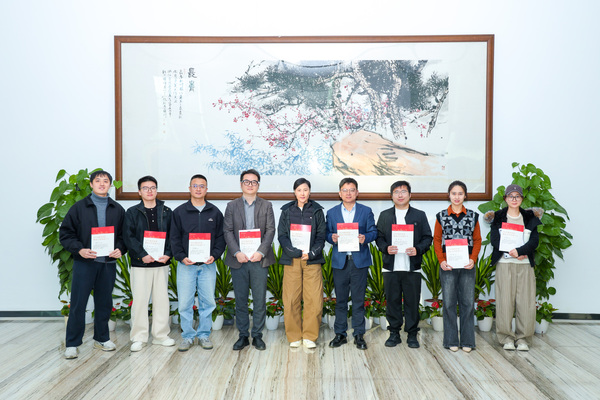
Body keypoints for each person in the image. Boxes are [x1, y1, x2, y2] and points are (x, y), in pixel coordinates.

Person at [59, 170, 126, 359]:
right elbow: (65, 234)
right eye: (98, 181)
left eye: (105, 181)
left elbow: (124, 236)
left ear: (110, 185)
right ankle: (72, 343)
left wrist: (120, 249)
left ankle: (102, 338)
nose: (102, 184)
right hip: (85, 263)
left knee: (104, 303)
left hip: (107, 263)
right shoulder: (79, 208)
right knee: (78, 304)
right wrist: (79, 249)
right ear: (91, 184)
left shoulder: (117, 209)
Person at [170, 174, 225, 351]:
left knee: (208, 302)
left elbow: (221, 237)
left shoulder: (215, 212)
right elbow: (174, 238)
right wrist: (181, 256)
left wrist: (215, 255)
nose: (198, 189)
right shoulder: (179, 212)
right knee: (185, 303)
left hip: (208, 265)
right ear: (189, 188)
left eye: (202, 186)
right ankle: (187, 336)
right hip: (186, 266)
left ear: (206, 189)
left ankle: (203, 335)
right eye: (195, 185)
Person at [376, 180, 432, 348]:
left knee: (412, 302)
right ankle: (394, 333)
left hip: (412, 267)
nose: (400, 195)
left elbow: (427, 238)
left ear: (410, 194)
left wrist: (418, 249)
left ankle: (412, 334)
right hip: (390, 267)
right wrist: (386, 248)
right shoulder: (385, 215)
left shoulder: (419, 215)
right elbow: (378, 237)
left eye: (403, 191)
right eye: (396, 192)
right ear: (391, 196)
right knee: (392, 301)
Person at [224, 169, 276, 351]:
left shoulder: (266, 205)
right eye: (247, 181)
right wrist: (236, 252)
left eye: (254, 182)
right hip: (238, 260)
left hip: (259, 260)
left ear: (258, 185)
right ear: (241, 184)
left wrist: (261, 252)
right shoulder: (231, 206)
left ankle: (257, 335)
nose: (250, 185)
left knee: (259, 299)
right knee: (241, 299)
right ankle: (243, 335)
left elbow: (270, 230)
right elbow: (227, 231)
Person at [123, 176, 175, 352]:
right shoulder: (132, 212)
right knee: (139, 301)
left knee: (162, 300)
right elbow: (128, 237)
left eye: (153, 187)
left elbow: (173, 236)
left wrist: (168, 254)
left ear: (157, 190)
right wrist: (142, 255)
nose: (149, 191)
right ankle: (139, 337)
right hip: (141, 264)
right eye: (145, 188)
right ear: (139, 192)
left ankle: (161, 336)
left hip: (161, 263)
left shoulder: (166, 211)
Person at [487, 184, 542, 351]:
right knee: (504, 302)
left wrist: (520, 251)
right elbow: (495, 240)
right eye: (511, 196)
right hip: (505, 264)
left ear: (522, 199)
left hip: (524, 265)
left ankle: (523, 339)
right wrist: (512, 252)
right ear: (505, 199)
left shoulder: (529, 217)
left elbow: (534, 241)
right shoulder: (498, 217)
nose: (514, 199)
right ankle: (506, 338)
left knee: (526, 303)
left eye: (517, 196)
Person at [326, 177, 377, 350]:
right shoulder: (332, 212)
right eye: (345, 190)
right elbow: (326, 233)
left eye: (352, 190)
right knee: (340, 300)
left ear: (357, 192)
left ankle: (358, 334)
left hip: (359, 262)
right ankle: (340, 334)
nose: (348, 193)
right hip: (340, 262)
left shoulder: (366, 211)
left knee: (358, 300)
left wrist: (365, 238)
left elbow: (373, 231)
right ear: (340, 193)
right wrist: (331, 237)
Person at [277, 178, 326, 349]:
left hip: (312, 260)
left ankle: (310, 336)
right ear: (294, 192)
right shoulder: (286, 210)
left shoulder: (317, 210)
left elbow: (321, 236)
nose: (302, 193)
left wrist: (312, 253)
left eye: (305, 190)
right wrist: (293, 251)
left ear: (309, 191)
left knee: (314, 299)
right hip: (292, 260)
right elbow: (282, 235)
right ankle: (294, 336)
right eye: (299, 190)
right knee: (291, 299)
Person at [433, 180, 481, 353]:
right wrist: (441, 260)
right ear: (449, 195)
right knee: (449, 303)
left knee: (467, 303)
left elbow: (477, 240)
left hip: (467, 266)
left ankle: (468, 341)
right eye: (454, 193)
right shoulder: (441, 216)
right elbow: (437, 240)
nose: (457, 197)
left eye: (460, 193)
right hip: (448, 266)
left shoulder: (473, 216)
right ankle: (451, 340)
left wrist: (473, 259)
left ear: (465, 196)